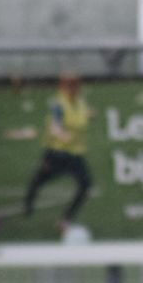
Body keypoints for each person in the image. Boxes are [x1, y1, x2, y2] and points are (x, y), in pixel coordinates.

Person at [22, 73, 94, 237]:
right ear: (64, 87)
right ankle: (28, 204)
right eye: (70, 86)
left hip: (75, 154)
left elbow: (82, 115)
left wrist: (90, 115)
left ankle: (66, 219)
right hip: (56, 153)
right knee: (39, 180)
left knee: (86, 184)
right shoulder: (58, 104)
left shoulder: (80, 102)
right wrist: (63, 135)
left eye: (75, 85)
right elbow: (55, 126)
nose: (74, 89)